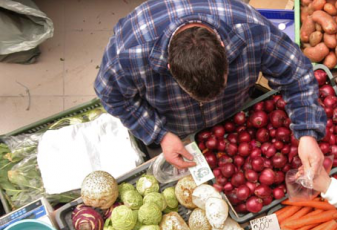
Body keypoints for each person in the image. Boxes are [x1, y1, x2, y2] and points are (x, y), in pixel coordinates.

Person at [94, 0, 325, 177]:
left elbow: (296, 73)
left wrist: (306, 132)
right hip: (176, 127)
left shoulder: (252, 30)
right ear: (169, 66)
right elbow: (112, 96)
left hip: (235, 116)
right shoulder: (128, 55)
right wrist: (159, 134)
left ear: (224, 49)